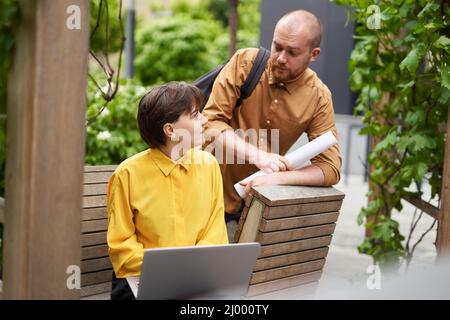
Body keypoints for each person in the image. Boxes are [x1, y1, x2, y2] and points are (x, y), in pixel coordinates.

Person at [202, 10, 342, 239]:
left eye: (293, 52)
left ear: (313, 54)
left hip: (246, 209)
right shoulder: (245, 63)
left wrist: (277, 177)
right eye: (277, 47)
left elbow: (330, 168)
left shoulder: (318, 96)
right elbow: (210, 122)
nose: (280, 58)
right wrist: (258, 156)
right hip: (200, 196)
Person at [107, 82, 228, 300]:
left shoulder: (209, 165)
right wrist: (168, 271)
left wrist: (190, 270)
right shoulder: (127, 174)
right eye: (194, 115)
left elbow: (216, 232)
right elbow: (122, 246)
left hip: (197, 278)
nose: (204, 120)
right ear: (170, 130)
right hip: (140, 279)